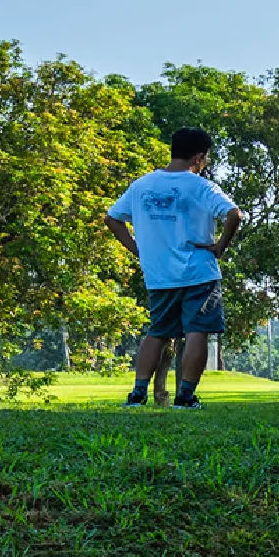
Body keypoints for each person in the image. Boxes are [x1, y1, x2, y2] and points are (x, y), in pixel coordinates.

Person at [105, 127, 244, 409]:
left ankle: (138, 393)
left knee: (158, 331)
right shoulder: (201, 186)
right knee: (197, 331)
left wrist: (139, 251)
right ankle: (185, 396)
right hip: (198, 272)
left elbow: (112, 219)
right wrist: (220, 246)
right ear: (199, 156)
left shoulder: (142, 185)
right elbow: (234, 214)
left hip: (159, 273)